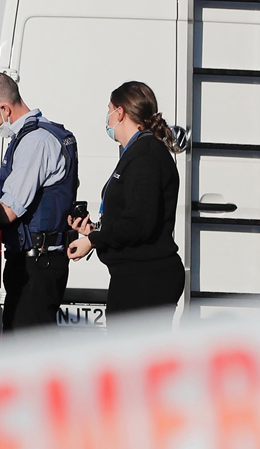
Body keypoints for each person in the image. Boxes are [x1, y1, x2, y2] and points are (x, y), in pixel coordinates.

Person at [67, 82, 185, 324]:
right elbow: (130, 215)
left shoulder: (146, 155)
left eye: (109, 109)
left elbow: (139, 223)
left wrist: (92, 241)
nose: (107, 117)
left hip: (147, 278)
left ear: (119, 112)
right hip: (133, 275)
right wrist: (95, 230)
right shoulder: (136, 151)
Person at [0, 72, 78, 331]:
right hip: (37, 259)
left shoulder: (35, 142)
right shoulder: (36, 135)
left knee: (26, 347)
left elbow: (9, 211)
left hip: (37, 263)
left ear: (5, 108)